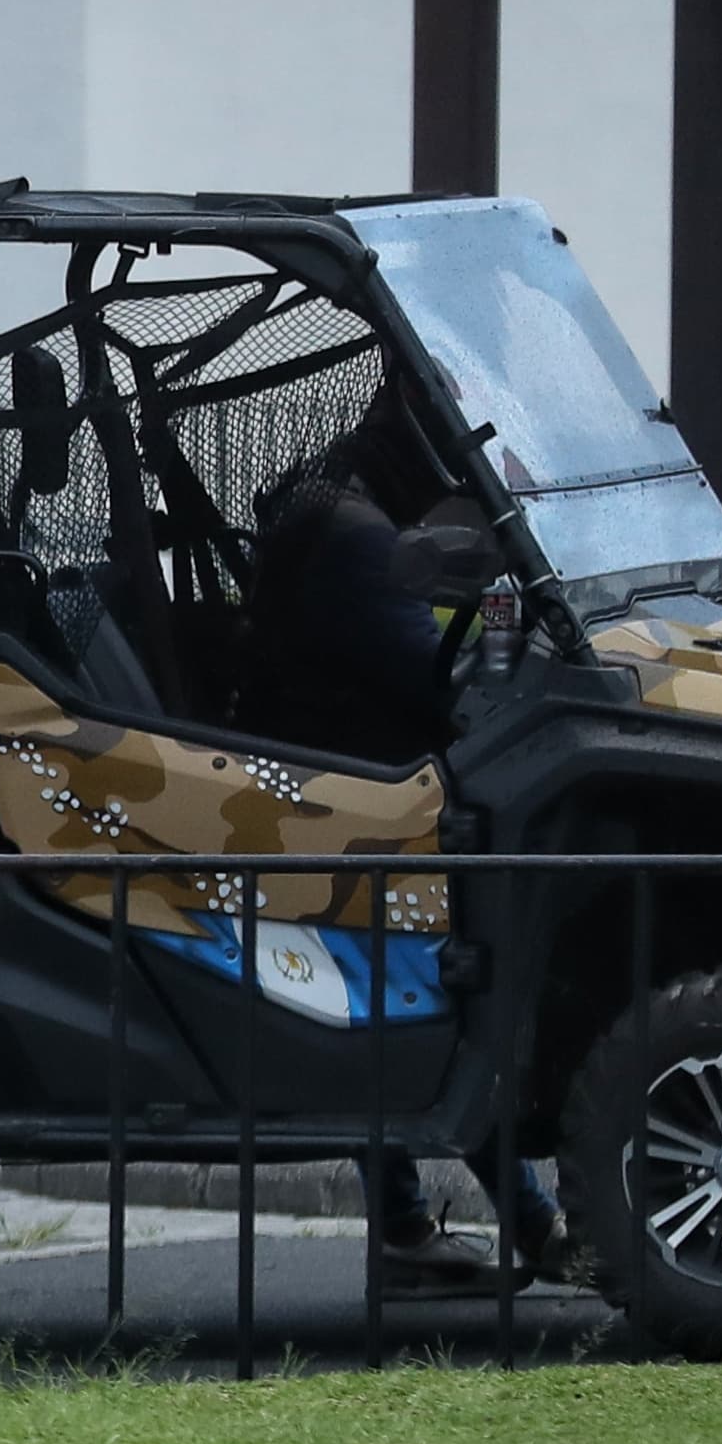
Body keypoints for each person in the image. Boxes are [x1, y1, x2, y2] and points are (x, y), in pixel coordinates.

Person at [242, 403, 571, 1286]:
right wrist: (508, 610)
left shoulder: (329, 502)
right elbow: (453, 693)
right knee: (441, 993)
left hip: (337, 783)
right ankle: (530, 1225)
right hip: (352, 799)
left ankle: (417, 1225)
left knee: (402, 999)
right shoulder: (354, 536)